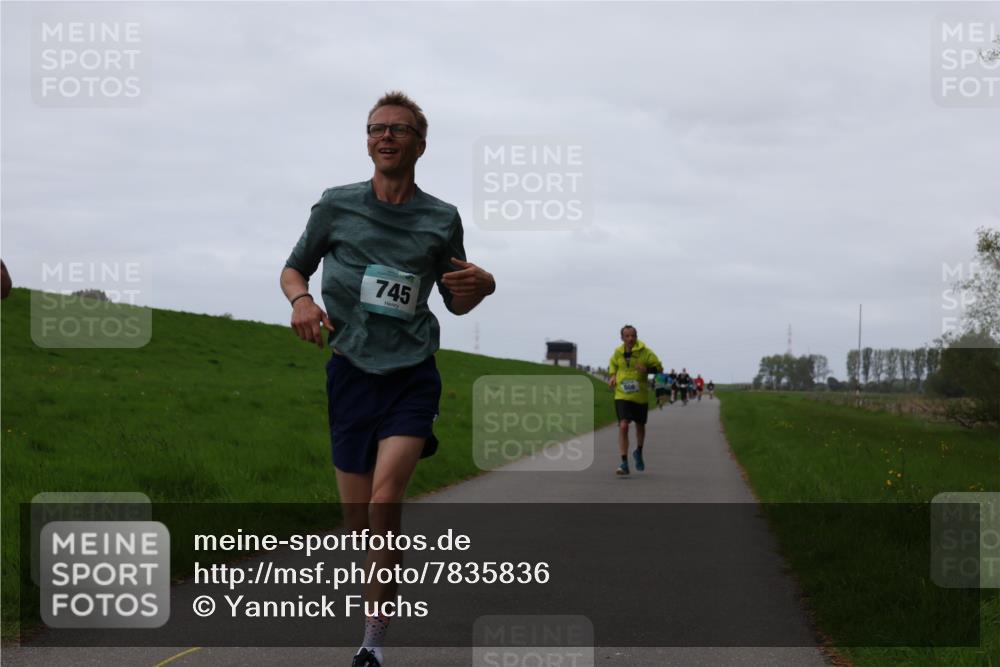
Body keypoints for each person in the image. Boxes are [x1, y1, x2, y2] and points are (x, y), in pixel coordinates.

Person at [280, 91, 496, 667]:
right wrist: (302, 300)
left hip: (411, 373)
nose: (387, 137)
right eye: (377, 128)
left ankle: (371, 646)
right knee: (358, 524)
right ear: (368, 140)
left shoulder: (440, 218)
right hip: (351, 372)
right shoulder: (336, 206)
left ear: (420, 144)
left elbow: (457, 302)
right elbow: (294, 266)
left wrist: (485, 287)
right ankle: (378, 593)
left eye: (399, 129)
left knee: (384, 501)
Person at [607, 325, 662, 475]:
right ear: (622, 338)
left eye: (633, 336)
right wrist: (612, 376)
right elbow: (613, 365)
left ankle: (638, 451)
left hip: (640, 396)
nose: (630, 338)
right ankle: (624, 462)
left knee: (640, 426)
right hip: (621, 394)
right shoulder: (617, 352)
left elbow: (659, 368)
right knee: (623, 425)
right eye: (627, 336)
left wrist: (648, 370)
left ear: (636, 337)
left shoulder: (645, 352)